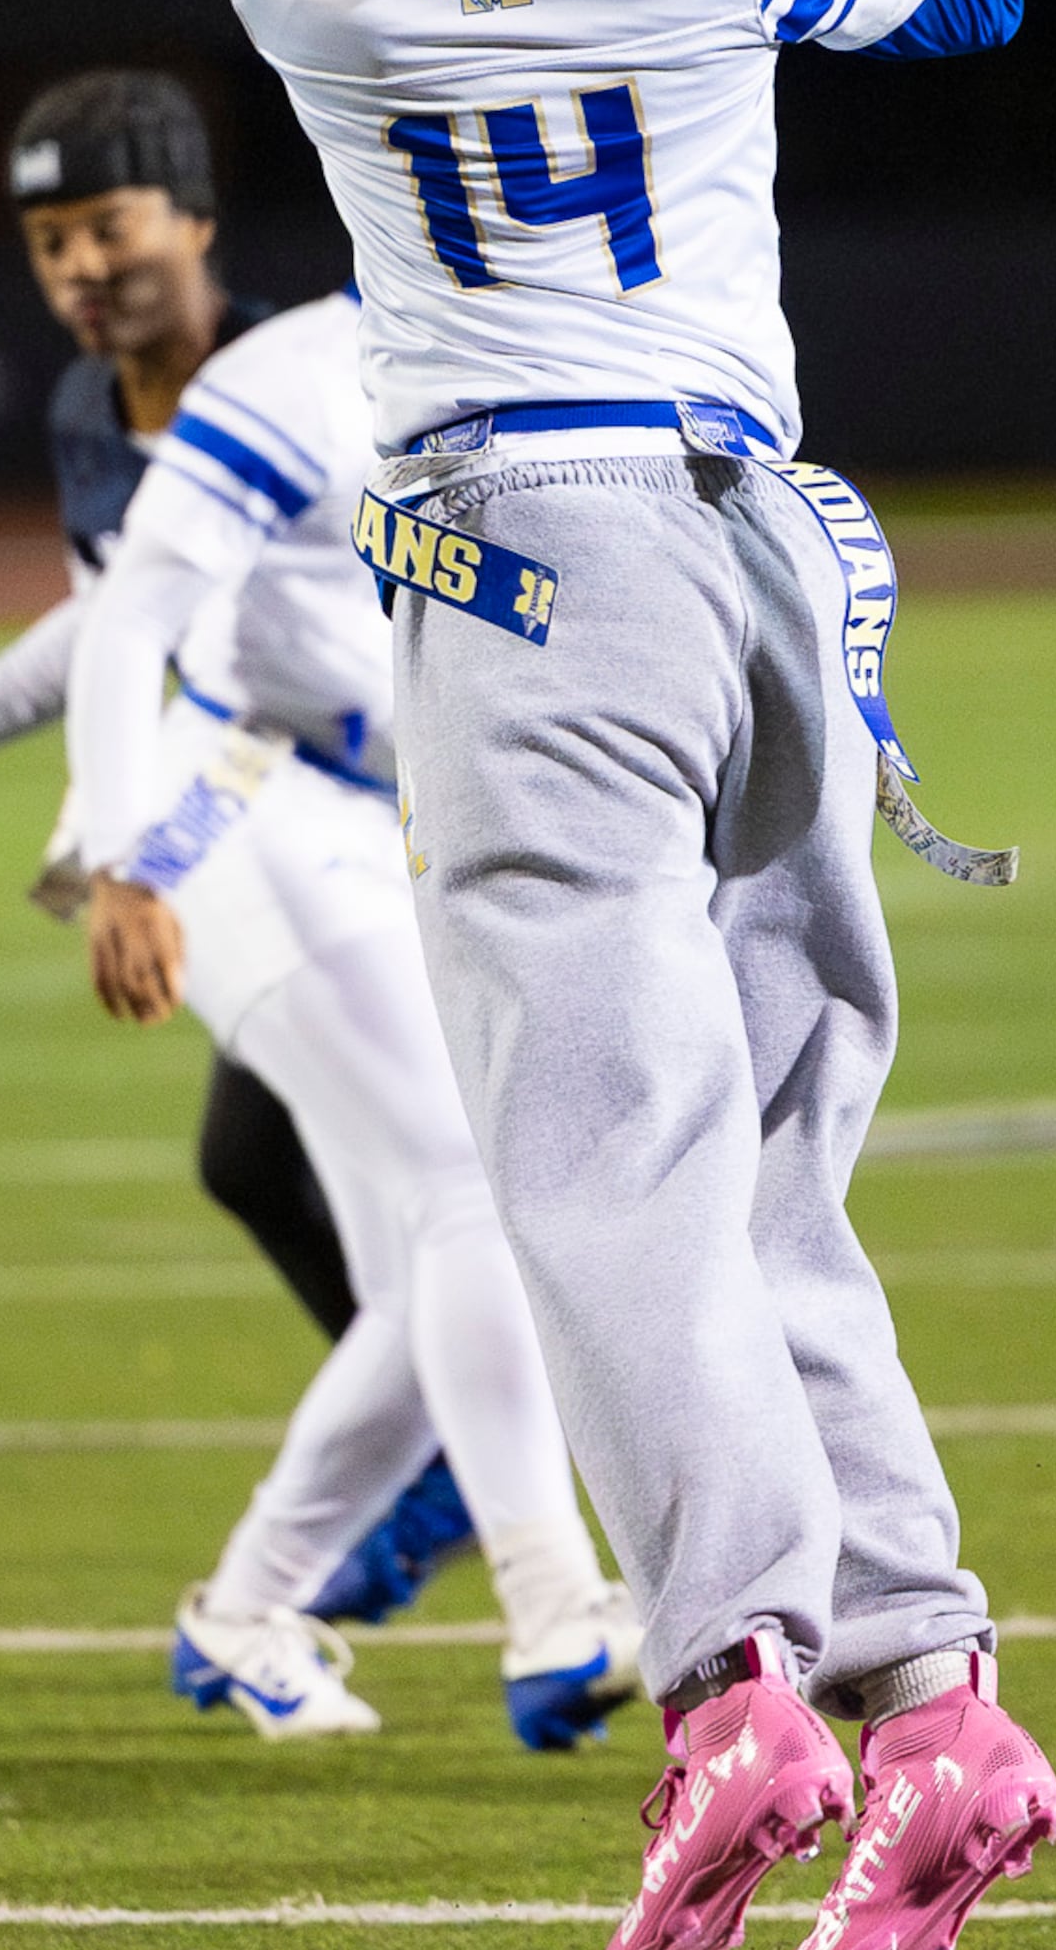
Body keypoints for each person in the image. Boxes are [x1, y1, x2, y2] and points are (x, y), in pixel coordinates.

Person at [219, 0, 1055, 1950]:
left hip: (527, 579)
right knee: (777, 1172)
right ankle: (935, 1703)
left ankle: (737, 1688)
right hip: (776, 557)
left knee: (601, 1170)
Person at [0, 68, 471, 1624]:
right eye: (48, 241)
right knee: (266, 1160)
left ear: (198, 219)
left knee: (429, 1195)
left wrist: (127, 854)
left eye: (109, 225)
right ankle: (445, 1462)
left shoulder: (313, 379)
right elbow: (114, 624)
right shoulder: (92, 412)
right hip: (277, 830)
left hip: (428, 826)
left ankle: (472, 1491)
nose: (82, 267)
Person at [56, 279, 641, 1750]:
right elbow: (121, 630)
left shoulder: (544, 361)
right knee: (473, 1187)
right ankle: (555, 1605)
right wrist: (119, 860)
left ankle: (246, 1611)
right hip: (233, 807)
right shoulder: (292, 373)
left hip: (385, 824)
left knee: (433, 1258)